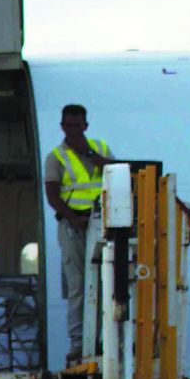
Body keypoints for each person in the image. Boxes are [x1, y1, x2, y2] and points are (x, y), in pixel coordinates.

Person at [43, 104, 114, 363]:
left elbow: (116, 173)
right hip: (74, 225)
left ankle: (105, 337)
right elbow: (52, 194)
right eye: (68, 125)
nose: (73, 130)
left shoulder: (101, 148)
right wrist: (74, 218)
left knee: (106, 282)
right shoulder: (56, 157)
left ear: (86, 126)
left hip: (102, 224)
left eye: (77, 125)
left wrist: (90, 153)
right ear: (62, 127)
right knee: (78, 285)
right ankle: (78, 341)